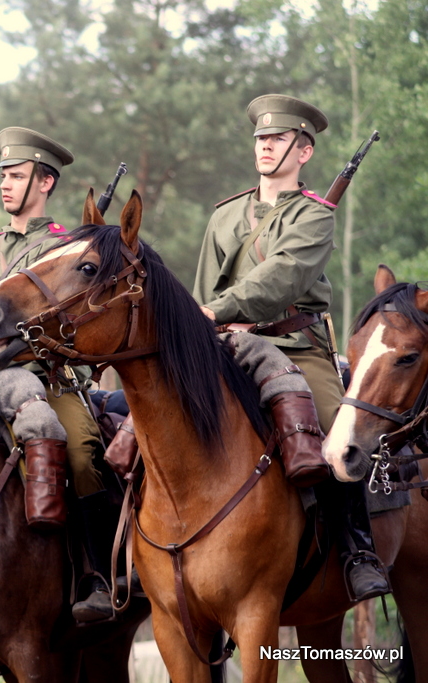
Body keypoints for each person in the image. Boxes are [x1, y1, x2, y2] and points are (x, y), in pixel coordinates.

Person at [193, 94, 390, 601]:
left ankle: (357, 549)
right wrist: (203, 324)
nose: (264, 146)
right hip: (225, 347)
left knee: (337, 434)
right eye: (260, 137)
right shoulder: (224, 216)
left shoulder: (315, 217)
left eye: (277, 139)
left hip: (296, 347)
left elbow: (282, 278)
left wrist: (218, 310)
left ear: (304, 151)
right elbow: (203, 292)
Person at [0, 127, 116, 622]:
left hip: (44, 375)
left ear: (45, 183)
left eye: (17, 176)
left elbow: (42, 332)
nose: (5, 184)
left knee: (81, 454)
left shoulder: (63, 249)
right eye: (4, 175)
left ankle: (97, 573)